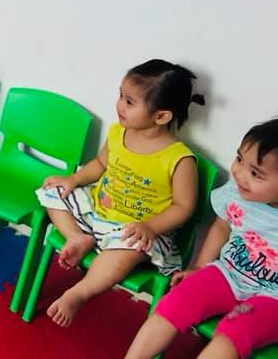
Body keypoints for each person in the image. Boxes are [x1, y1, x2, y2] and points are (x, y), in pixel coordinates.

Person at [36, 60, 202, 326]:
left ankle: (78, 293)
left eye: (130, 102)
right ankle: (77, 237)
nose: (120, 105)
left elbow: (184, 207)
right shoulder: (118, 133)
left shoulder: (179, 159)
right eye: (121, 96)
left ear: (161, 116)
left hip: (137, 229)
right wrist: (74, 179)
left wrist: (150, 226)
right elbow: (100, 164)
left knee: (125, 252)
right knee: (52, 191)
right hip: (98, 209)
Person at [125, 118, 278, 359]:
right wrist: (199, 267)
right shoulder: (236, 192)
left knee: (235, 330)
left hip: (272, 297)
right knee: (176, 301)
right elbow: (221, 227)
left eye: (255, 173)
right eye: (239, 159)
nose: (239, 174)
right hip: (228, 273)